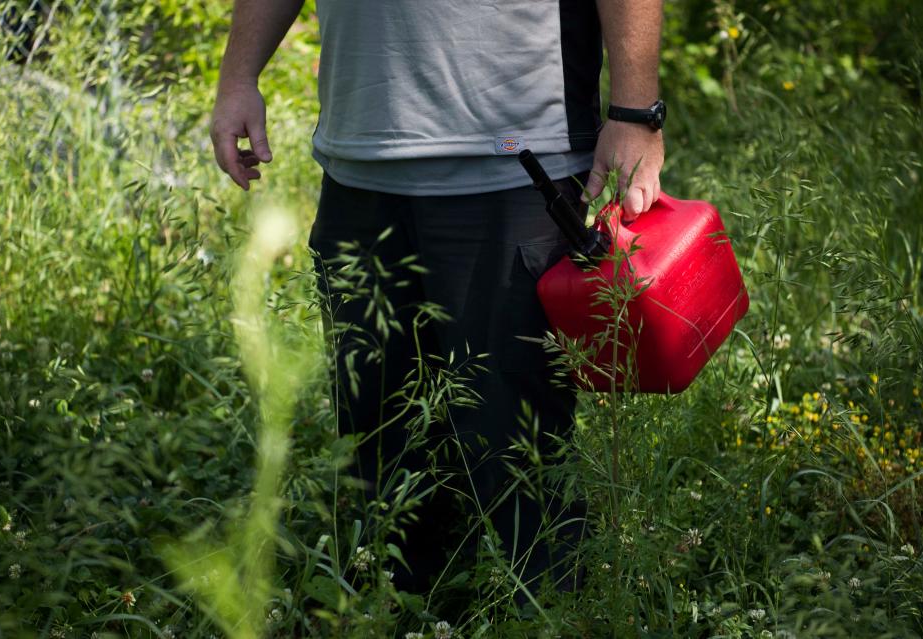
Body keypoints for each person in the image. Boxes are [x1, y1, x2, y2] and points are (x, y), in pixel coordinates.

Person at [211, 0, 665, 602]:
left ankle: (552, 615)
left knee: (518, 462)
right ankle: (408, 615)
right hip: (359, 165)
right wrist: (239, 75)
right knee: (381, 457)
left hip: (514, 160)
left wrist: (637, 112)